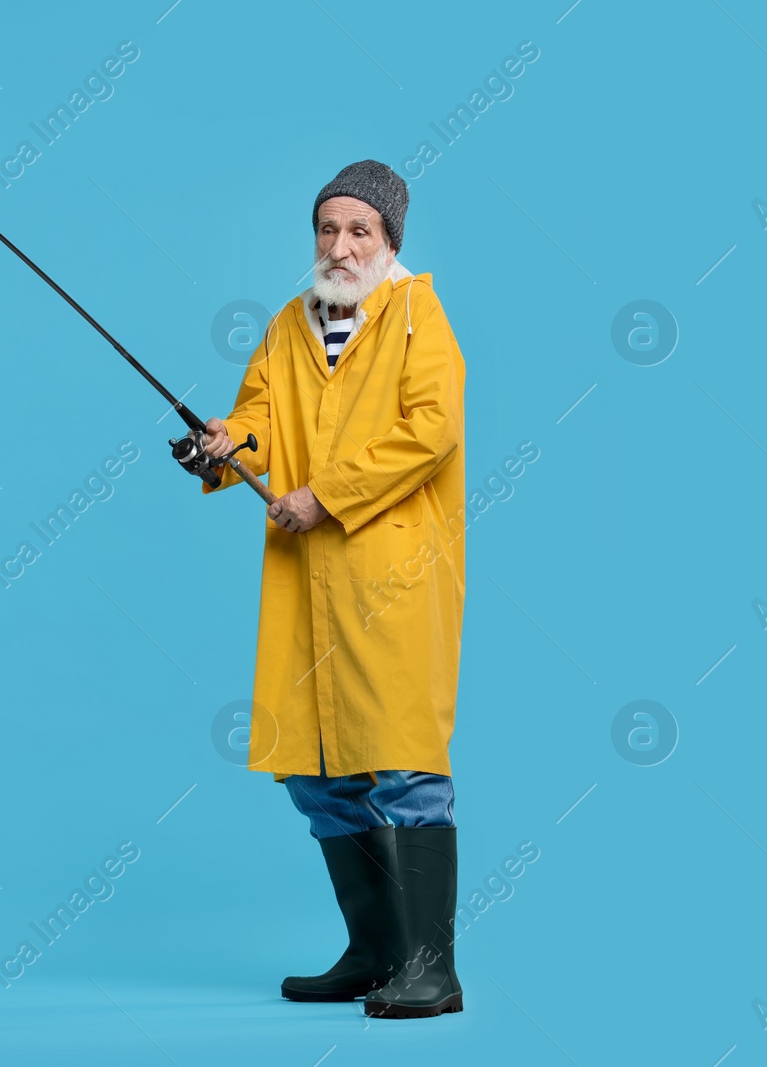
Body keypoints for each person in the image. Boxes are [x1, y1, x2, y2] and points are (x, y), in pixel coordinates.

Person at [199, 160, 467, 1019]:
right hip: (306, 578)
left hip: (388, 572)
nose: (340, 244)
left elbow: (432, 428)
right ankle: (376, 951)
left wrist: (326, 494)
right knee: (312, 771)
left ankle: (432, 967)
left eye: (360, 229)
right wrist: (226, 443)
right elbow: (263, 415)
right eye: (328, 227)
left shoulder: (418, 315)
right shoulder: (290, 323)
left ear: (390, 241)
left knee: (402, 767)